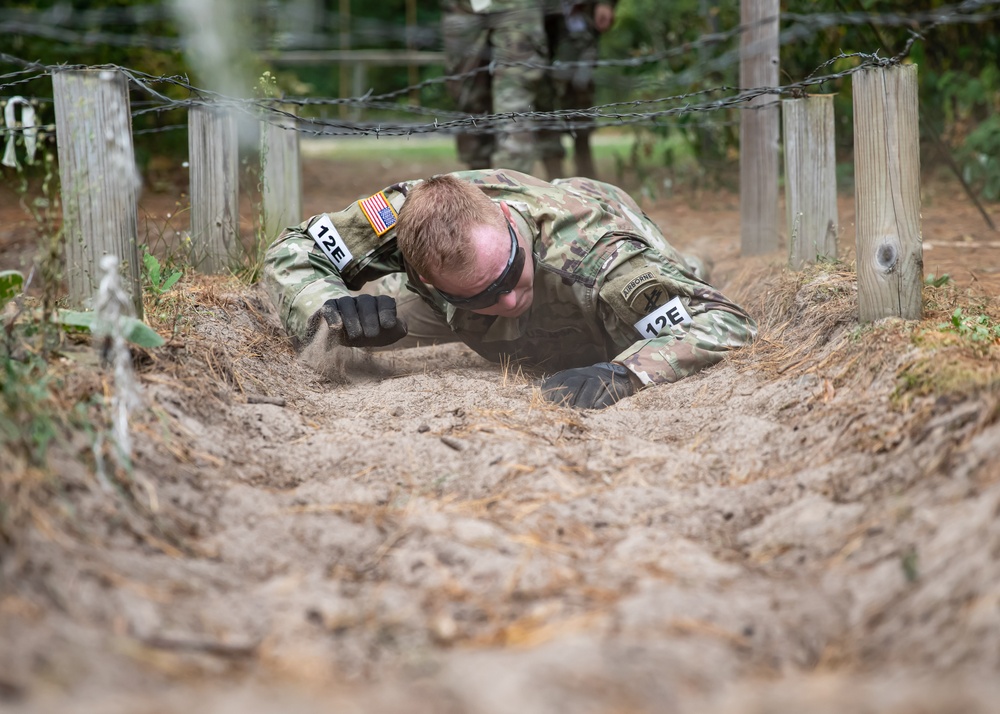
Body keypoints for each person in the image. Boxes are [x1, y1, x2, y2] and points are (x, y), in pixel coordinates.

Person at [262, 169, 756, 409]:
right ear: (422, 275)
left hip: (592, 240)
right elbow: (294, 247)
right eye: (482, 295)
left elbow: (728, 322)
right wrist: (327, 304)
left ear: (506, 221)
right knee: (345, 328)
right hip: (454, 297)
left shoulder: (606, 262)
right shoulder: (407, 215)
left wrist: (627, 372)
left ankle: (694, 258)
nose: (507, 302)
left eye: (508, 276)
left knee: (671, 284)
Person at [440, 0, 548, 173]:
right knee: (467, 96)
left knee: (514, 95)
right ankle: (476, 180)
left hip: (516, 8)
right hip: (464, 8)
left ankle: (512, 183)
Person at [539, 0, 617, 179]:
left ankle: (585, 173)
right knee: (541, 96)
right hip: (530, 16)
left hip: (575, 14)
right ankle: (554, 177)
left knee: (580, 90)